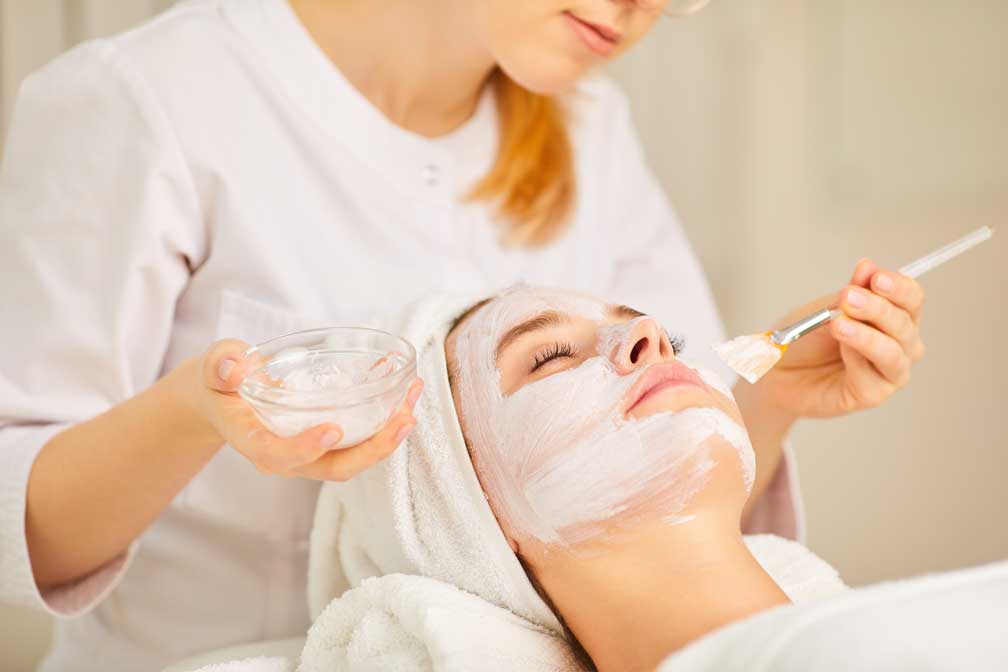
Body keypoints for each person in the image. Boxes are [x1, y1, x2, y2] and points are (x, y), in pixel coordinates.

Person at [0, 1, 925, 670]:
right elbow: (20, 532)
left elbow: (655, 480)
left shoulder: (588, 126)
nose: (650, 9)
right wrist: (194, 412)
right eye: (550, 352)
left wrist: (768, 397)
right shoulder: (150, 100)